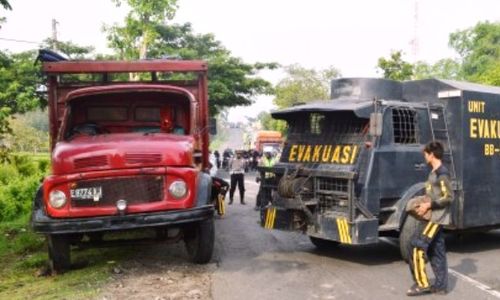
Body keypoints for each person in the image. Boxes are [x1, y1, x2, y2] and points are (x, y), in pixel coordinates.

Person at [406, 141, 454, 296]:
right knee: (436, 251)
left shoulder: (442, 174)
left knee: (416, 245)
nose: (424, 157)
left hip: (436, 218)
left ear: (432, 154)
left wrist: (429, 206)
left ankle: (422, 284)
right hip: (433, 216)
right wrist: (421, 202)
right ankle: (440, 286)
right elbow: (433, 193)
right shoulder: (433, 172)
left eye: (426, 154)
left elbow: (449, 197)